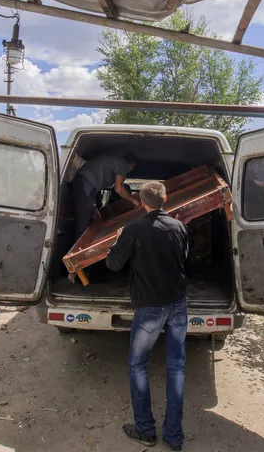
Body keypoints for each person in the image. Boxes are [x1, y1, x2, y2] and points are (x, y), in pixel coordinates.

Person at [106, 181, 189, 451]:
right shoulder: (179, 227)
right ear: (166, 198)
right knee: (176, 367)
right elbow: (184, 259)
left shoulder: (134, 229)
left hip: (150, 307)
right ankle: (174, 437)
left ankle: (145, 430)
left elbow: (113, 264)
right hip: (178, 304)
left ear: (142, 203)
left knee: (137, 365)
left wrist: (119, 240)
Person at [72, 152, 140, 239]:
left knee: (87, 218)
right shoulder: (122, 164)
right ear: (132, 165)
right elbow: (119, 188)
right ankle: (79, 250)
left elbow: (93, 188)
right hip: (85, 183)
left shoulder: (114, 162)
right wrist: (135, 201)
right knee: (84, 222)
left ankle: (81, 246)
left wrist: (94, 206)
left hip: (84, 183)